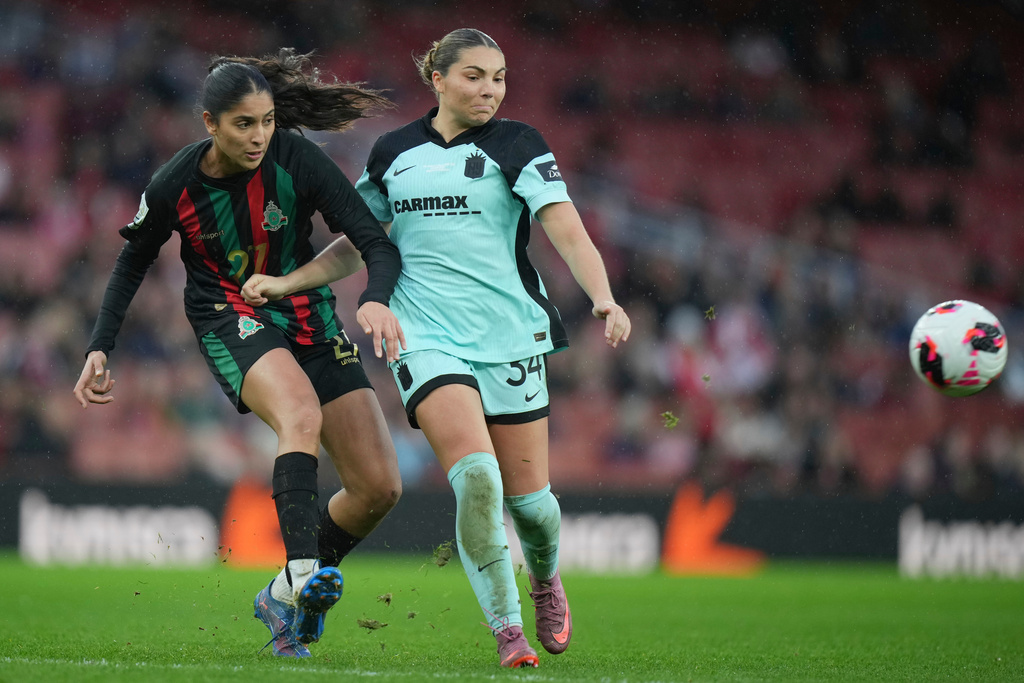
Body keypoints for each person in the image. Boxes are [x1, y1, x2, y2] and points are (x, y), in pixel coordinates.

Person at [242, 29, 631, 668]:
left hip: (509, 335)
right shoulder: (394, 153)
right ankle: (509, 632)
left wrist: (604, 297)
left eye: (500, 77)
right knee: (476, 477)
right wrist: (289, 281)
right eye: (475, 76)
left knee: (532, 508)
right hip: (424, 334)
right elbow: (359, 240)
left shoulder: (521, 144)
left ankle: (543, 578)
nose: (490, 89)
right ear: (439, 79)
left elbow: (565, 225)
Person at [72, 49, 407, 659]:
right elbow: (131, 261)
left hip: (309, 315)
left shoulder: (297, 160)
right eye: (243, 124)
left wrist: (377, 299)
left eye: (268, 121)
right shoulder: (175, 183)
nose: (259, 136)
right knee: (299, 414)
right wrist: (100, 346)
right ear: (209, 124)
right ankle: (306, 572)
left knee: (380, 488)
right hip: (229, 316)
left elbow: (371, 240)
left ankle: (280, 593)